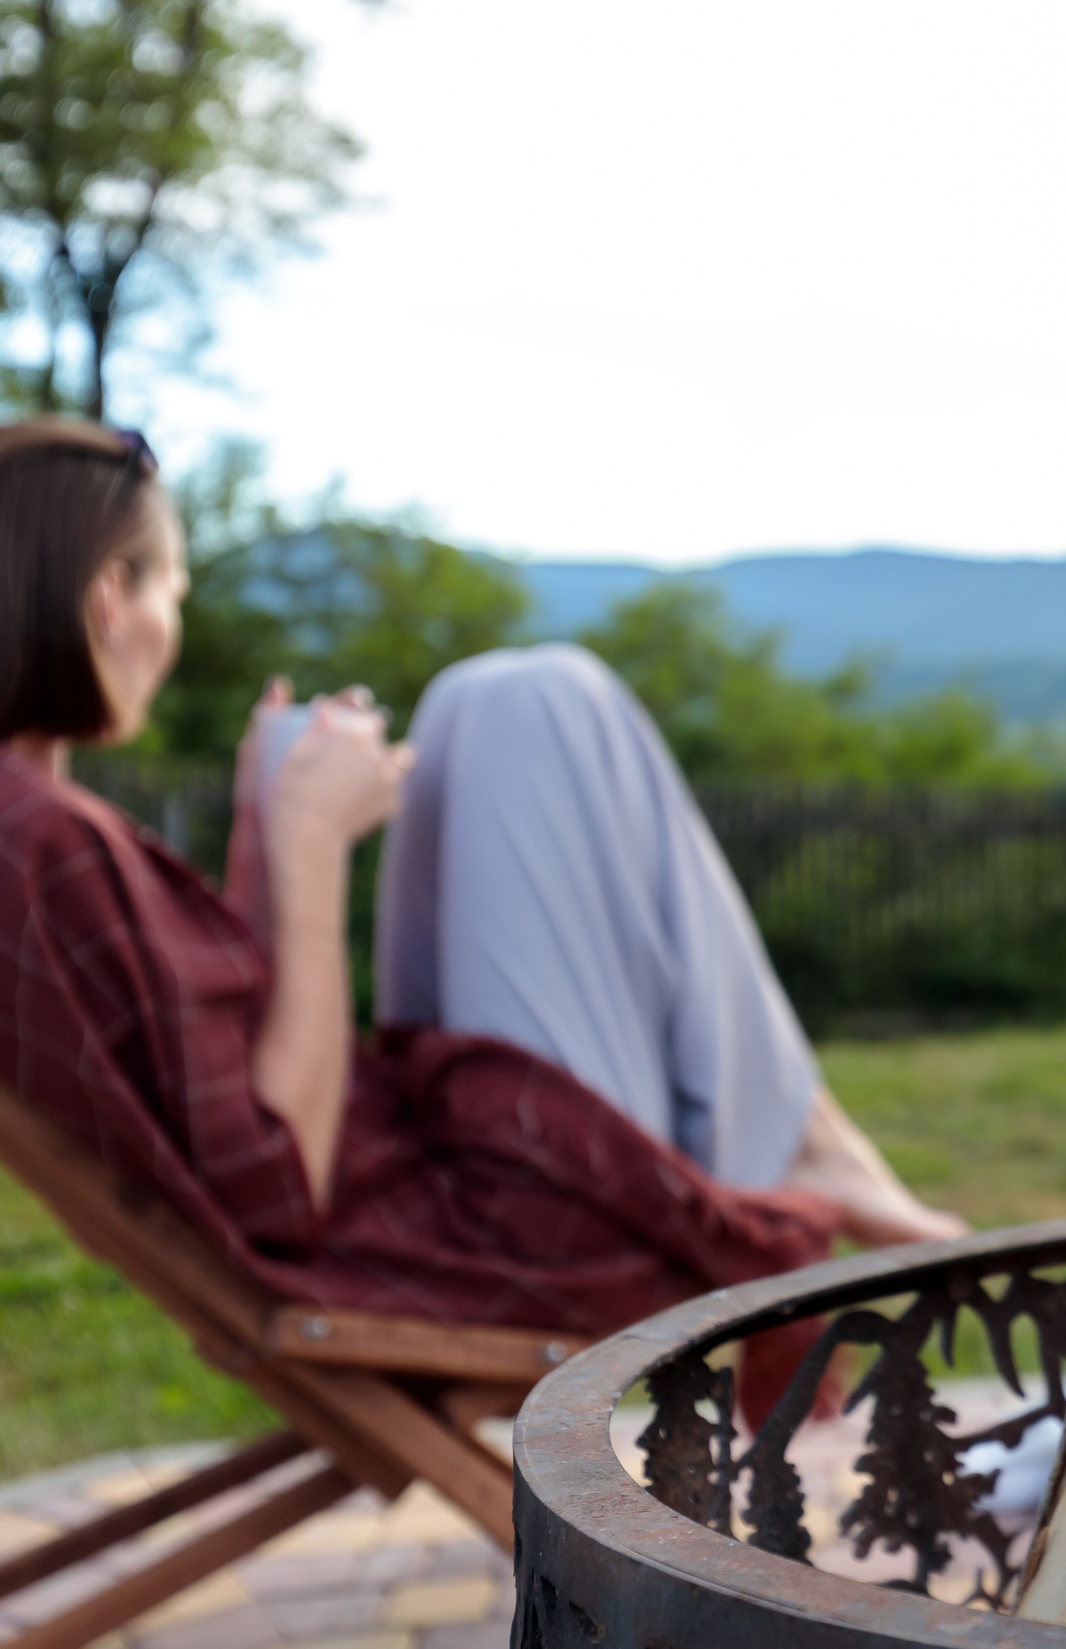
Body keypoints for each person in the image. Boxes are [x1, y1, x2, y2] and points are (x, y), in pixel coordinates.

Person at [0, 416, 960, 1350]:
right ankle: (797, 1142)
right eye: (175, 590)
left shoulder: (33, 829)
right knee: (537, 699)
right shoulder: (53, 844)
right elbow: (282, 1186)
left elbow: (225, 1050)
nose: (173, 628)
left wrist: (261, 828)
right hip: (490, 1235)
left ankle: (801, 1136)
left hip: (436, 1188)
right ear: (108, 598)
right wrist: (312, 845)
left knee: (478, 704)